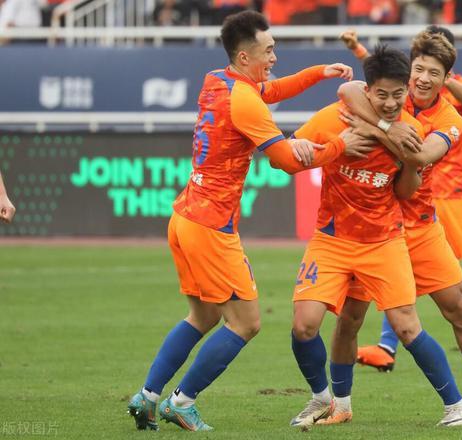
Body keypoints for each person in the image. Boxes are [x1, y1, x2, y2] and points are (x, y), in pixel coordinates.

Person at [126, 10, 368, 432]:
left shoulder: (217, 81)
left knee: (202, 317)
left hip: (185, 215)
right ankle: (182, 402)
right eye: (268, 51)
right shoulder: (245, 101)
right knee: (246, 323)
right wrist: (337, 145)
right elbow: (284, 162)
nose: (274, 57)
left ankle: (146, 397)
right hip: (211, 225)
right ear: (244, 57)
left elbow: (270, 90)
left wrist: (318, 73)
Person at [288, 44, 462, 430]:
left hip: (384, 240)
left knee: (407, 326)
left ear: (407, 90)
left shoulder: (412, 131)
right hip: (332, 239)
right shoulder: (336, 116)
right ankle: (327, 400)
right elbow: (289, 156)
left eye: (398, 94)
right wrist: (303, 145)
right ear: (368, 90)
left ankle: (457, 407)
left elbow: (405, 191)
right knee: (305, 325)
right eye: (382, 94)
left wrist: (399, 153)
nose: (390, 103)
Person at [331, 29, 462, 426]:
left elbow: (423, 155)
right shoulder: (394, 96)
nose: (424, 79)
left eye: (434, 73)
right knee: (350, 318)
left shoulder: (450, 117)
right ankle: (339, 405)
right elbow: (349, 90)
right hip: (372, 228)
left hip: (420, 226)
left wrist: (375, 128)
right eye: (419, 69)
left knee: (458, 309)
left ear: (447, 79)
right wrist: (388, 124)